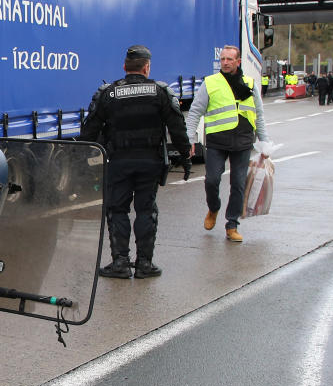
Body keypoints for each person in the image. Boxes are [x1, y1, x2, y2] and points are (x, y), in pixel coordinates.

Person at [80, 45, 190, 278]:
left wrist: (81, 159)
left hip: (118, 162)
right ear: (147, 67)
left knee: (117, 209)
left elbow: (89, 130)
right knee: (146, 210)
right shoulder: (160, 92)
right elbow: (177, 128)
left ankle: (120, 262)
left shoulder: (108, 93)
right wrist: (184, 157)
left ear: (124, 67)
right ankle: (144, 264)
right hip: (149, 162)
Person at [185, 46, 270, 242]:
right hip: (217, 141)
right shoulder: (210, 83)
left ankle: (232, 224)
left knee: (238, 184)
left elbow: (259, 116)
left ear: (238, 61)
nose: (225, 62)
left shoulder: (249, 84)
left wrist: (264, 143)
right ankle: (213, 207)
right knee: (212, 180)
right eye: (222, 59)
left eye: (229, 59)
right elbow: (195, 112)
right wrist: (190, 139)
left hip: (243, 141)